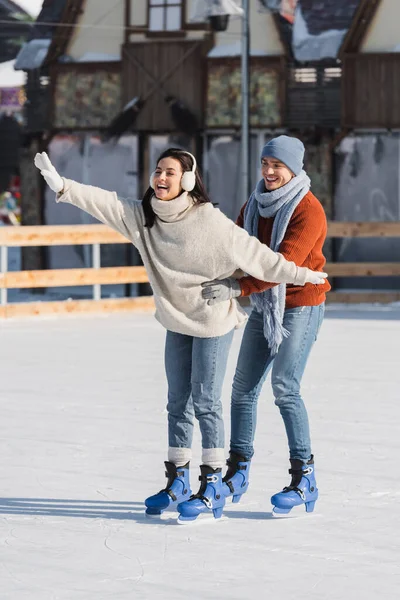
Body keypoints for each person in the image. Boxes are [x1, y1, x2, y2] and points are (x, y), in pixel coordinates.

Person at [34, 147, 327, 523]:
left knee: (263, 391)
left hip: (269, 307)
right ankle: (185, 480)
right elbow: (105, 202)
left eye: (170, 172)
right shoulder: (151, 217)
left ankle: (244, 479)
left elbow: (262, 257)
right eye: (158, 170)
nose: (161, 178)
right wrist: (62, 185)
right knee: (187, 401)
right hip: (192, 317)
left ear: (187, 180)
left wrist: (294, 277)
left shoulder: (218, 220)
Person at [202, 136, 330, 515]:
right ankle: (237, 472)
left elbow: (278, 268)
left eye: (277, 165)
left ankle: (304, 477)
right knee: (242, 390)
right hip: (266, 306)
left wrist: (236, 287)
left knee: (285, 387)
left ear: (293, 169)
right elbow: (237, 246)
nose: (269, 172)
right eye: (265, 163)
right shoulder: (254, 205)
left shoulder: (309, 210)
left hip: (301, 305)